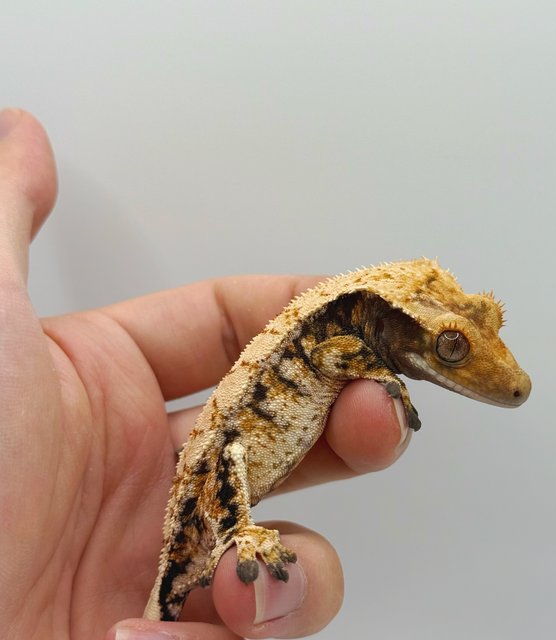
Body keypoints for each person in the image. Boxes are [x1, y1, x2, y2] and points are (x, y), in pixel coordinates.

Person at [0, 109, 412, 640]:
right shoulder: (333, 338)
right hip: (210, 491)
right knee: (226, 487)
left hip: (201, 490)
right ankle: (237, 535)